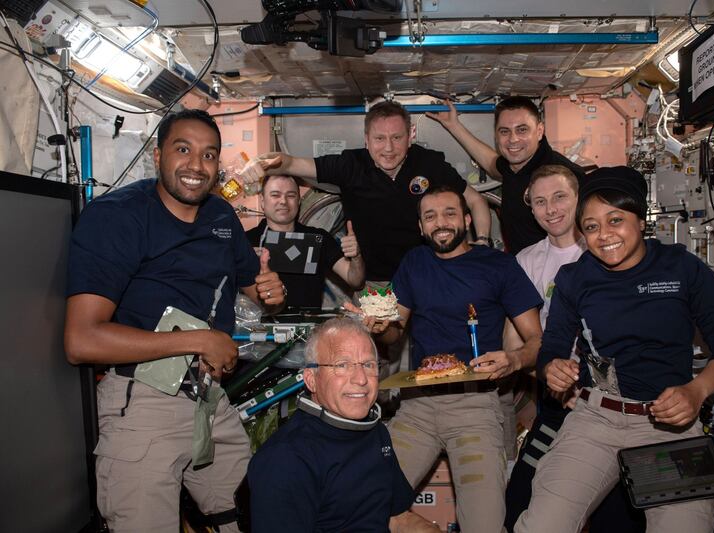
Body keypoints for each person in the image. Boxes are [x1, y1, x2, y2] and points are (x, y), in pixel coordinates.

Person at [64, 109, 286, 533]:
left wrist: (271, 290)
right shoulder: (118, 217)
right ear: (157, 154)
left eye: (208, 155)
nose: (195, 166)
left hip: (207, 400)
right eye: (183, 149)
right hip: (143, 402)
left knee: (252, 511)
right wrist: (200, 340)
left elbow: (256, 288)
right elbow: (81, 339)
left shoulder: (221, 217)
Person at [514, 166, 714, 533]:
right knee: (542, 525)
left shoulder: (681, 267)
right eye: (590, 227)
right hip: (597, 420)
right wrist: (551, 369)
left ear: (640, 220)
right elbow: (553, 347)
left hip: (669, 425)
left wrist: (696, 390)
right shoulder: (575, 278)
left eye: (615, 220)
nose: (603, 235)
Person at [241, 100, 493, 395]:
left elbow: (476, 202)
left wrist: (484, 242)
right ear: (366, 139)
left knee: (433, 352)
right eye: (379, 139)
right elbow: (291, 163)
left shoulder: (429, 164)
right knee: (377, 357)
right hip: (377, 284)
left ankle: (430, 408)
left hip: (426, 276)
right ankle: (379, 414)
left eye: (397, 138)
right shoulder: (351, 166)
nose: (389, 148)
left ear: (410, 135)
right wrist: (260, 163)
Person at [365, 185, 544, 532]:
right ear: (421, 227)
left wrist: (515, 360)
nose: (440, 223)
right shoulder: (414, 262)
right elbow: (394, 333)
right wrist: (379, 327)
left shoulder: (498, 265)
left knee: (485, 525)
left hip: (475, 409)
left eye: (449, 213)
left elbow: (537, 339)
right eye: (430, 216)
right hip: (418, 406)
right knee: (366, 500)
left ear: (466, 218)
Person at [502, 164, 644, 533]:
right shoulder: (526, 262)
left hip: (621, 404)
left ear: (579, 197)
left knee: (617, 512)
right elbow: (514, 344)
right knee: (522, 498)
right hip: (559, 401)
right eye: (540, 201)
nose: (551, 209)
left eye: (560, 196)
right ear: (530, 208)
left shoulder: (612, 247)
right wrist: (553, 381)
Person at [247, 318, 440, 533]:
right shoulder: (287, 458)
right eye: (342, 365)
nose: (360, 379)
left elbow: (397, 519)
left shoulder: (375, 432)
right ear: (311, 379)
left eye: (368, 365)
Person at [427, 96, 584, 253]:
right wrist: (454, 125)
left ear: (540, 131)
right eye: (504, 131)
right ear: (496, 135)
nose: (513, 139)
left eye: (522, 130)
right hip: (521, 264)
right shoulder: (514, 165)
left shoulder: (565, 176)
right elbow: (492, 164)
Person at [245, 174, 365, 310]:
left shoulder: (318, 237)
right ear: (262, 201)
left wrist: (356, 257)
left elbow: (355, 281)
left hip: (310, 326)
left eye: (290, 195)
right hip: (261, 326)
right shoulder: (246, 241)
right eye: (275, 195)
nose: (283, 201)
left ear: (299, 201)